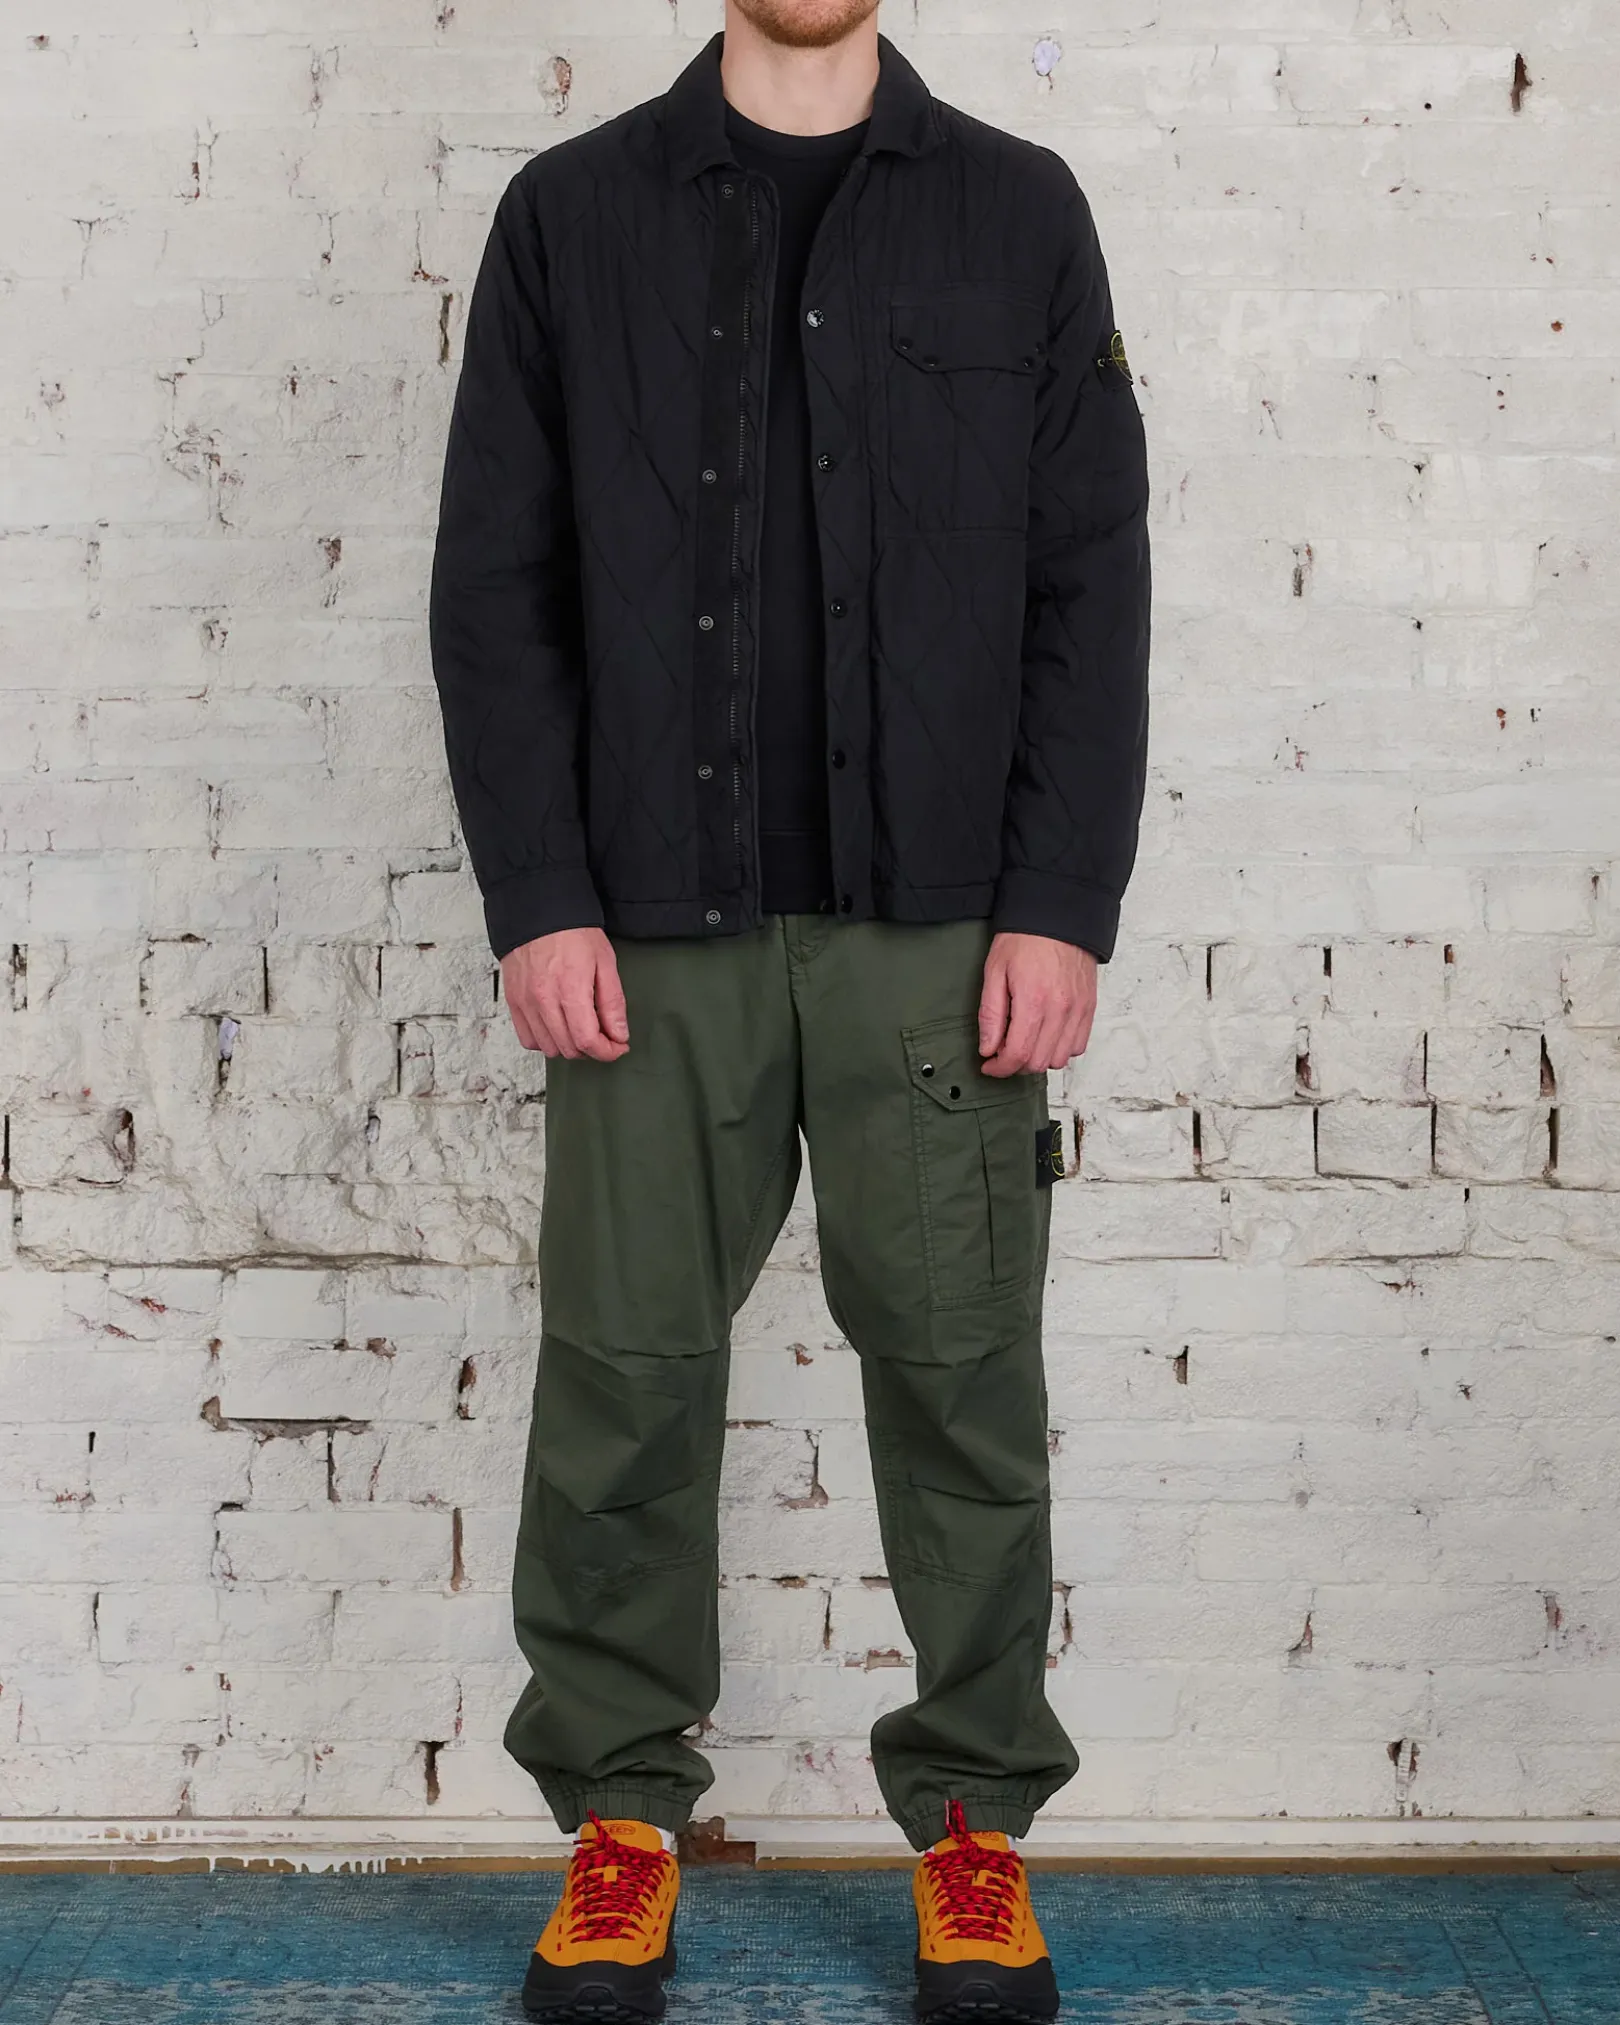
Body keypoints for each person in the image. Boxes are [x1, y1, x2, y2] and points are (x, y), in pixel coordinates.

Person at [427, 0, 1150, 2015]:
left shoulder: (1019, 213)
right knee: (625, 1379)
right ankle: (619, 1822)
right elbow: (496, 582)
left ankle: (977, 1827)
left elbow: (1090, 580)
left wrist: (1060, 901)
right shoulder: (573, 218)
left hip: (943, 936)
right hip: (651, 930)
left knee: (960, 1380)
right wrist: (540, 894)